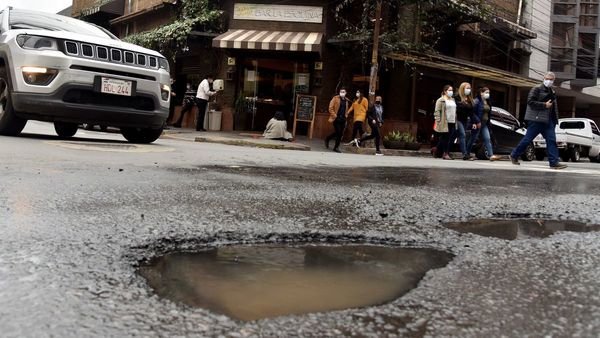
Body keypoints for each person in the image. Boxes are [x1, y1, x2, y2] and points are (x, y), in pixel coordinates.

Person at [509, 72, 567, 169]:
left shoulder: (552, 92)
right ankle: (514, 155)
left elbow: (554, 108)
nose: (549, 81)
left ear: (553, 81)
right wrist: (544, 105)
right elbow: (530, 102)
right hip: (536, 120)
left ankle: (554, 163)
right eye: (547, 78)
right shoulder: (536, 89)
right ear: (544, 78)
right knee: (528, 139)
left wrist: (555, 120)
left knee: (552, 141)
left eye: (551, 79)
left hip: (548, 121)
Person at [466, 87, 501, 161]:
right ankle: (466, 154)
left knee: (487, 139)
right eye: (486, 92)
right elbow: (473, 113)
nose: (488, 94)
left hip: (484, 124)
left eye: (488, 93)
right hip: (478, 123)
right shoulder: (477, 101)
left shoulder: (487, 101)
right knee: (473, 139)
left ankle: (491, 155)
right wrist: (475, 122)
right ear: (481, 93)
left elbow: (488, 113)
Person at [325, 88, 351, 153]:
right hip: (336, 118)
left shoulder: (347, 100)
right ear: (339, 92)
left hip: (343, 119)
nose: (342, 93)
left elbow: (346, 109)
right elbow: (330, 108)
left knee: (340, 133)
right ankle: (335, 147)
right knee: (338, 132)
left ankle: (331, 141)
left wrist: (346, 116)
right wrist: (335, 116)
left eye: (344, 92)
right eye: (341, 91)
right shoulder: (335, 98)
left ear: (346, 93)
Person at [433, 85, 456, 160]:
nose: (451, 92)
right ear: (445, 91)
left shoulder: (453, 100)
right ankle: (445, 154)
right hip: (444, 121)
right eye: (449, 90)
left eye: (452, 90)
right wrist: (438, 120)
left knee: (446, 138)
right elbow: (437, 111)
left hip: (452, 121)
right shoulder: (441, 100)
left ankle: (435, 149)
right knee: (446, 138)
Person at [455, 83, 475, 160]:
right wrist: (466, 105)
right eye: (467, 88)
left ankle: (440, 150)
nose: (468, 90)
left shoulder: (470, 99)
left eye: (469, 88)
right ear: (462, 88)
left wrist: (474, 122)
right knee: (462, 135)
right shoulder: (457, 97)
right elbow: (458, 107)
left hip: (465, 120)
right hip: (457, 119)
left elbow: (471, 112)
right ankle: (465, 154)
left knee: (454, 136)